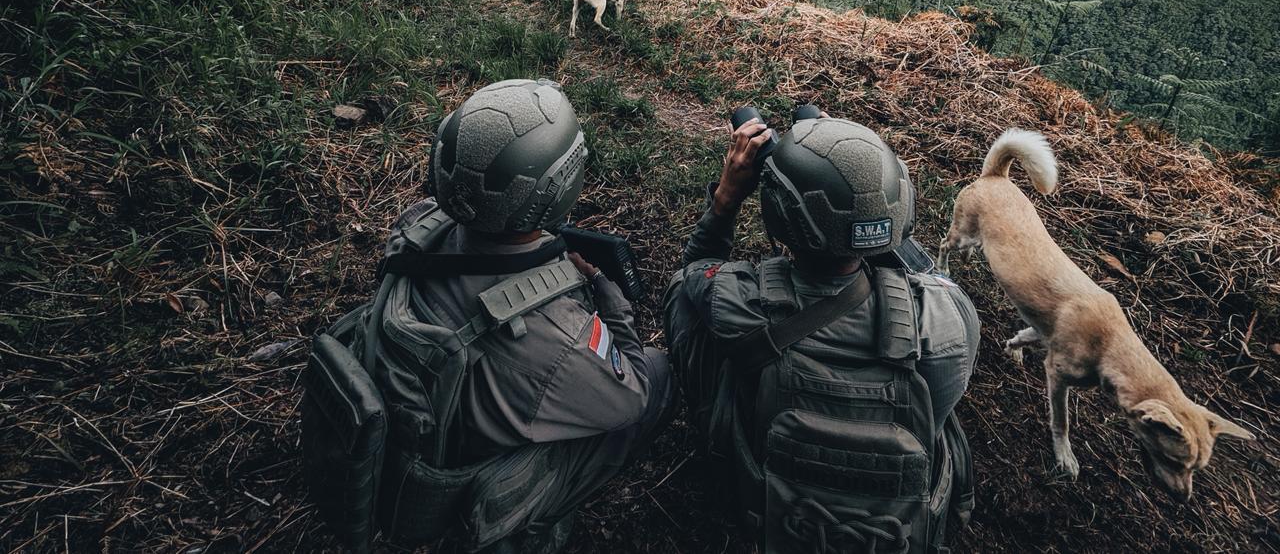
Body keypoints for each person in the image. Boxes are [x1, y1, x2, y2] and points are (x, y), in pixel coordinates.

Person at [302, 79, 673, 554]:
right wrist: (613, 301)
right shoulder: (554, 337)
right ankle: (525, 533)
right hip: (455, 496)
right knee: (657, 376)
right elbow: (632, 395)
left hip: (409, 438)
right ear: (560, 188)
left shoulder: (418, 225)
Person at [663, 113, 981, 553]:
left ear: (778, 214)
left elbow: (692, 271)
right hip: (892, 531)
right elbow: (927, 277)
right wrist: (869, 198)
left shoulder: (737, 301)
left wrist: (725, 199)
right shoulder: (945, 317)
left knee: (682, 295)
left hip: (781, 515)